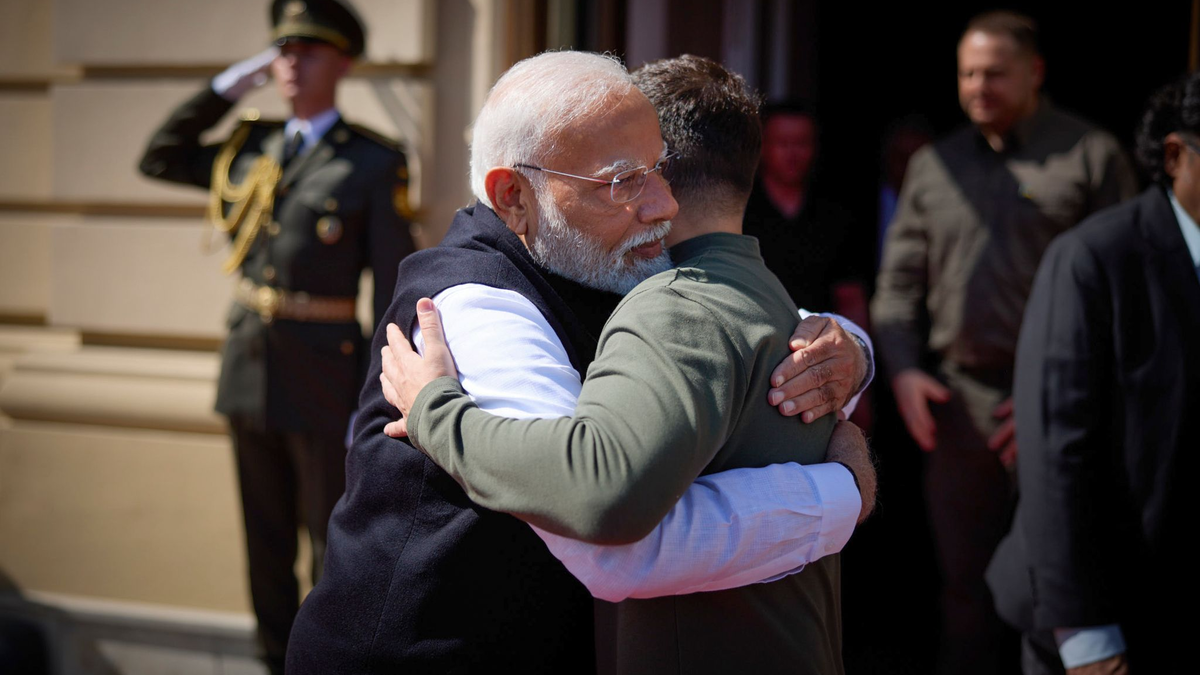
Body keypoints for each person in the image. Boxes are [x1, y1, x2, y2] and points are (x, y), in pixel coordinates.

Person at [287, 51, 874, 674]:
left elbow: (757, 321)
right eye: (622, 181)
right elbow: (614, 547)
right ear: (513, 196)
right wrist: (840, 492)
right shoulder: (473, 310)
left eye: (659, 170)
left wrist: (849, 351)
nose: (664, 205)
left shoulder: (596, 252)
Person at [137, 1, 414, 672]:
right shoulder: (250, 146)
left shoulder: (371, 161)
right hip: (249, 367)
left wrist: (374, 395)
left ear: (343, 63)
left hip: (324, 379)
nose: (291, 63)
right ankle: (272, 659)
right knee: (264, 548)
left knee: (330, 545)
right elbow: (159, 158)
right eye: (283, 50)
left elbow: (392, 288)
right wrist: (226, 89)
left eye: (309, 51)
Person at [871, 11, 1137, 675]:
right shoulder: (935, 166)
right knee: (965, 591)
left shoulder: (1091, 155)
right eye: (967, 74)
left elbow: (1126, 295)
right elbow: (897, 287)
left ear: (1034, 72)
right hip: (960, 407)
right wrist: (903, 372)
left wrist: (1069, 396)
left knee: (1062, 583)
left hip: (1064, 405)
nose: (978, 86)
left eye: (994, 73)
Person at [986, 72, 1200, 675]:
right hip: (1103, 620)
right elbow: (1058, 455)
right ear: (1176, 156)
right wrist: (1087, 639)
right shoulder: (1097, 258)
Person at [744, 101, 870, 323]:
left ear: (815, 147)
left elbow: (850, 297)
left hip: (821, 337)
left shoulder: (834, 214)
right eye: (782, 143)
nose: (792, 153)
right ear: (762, 146)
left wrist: (857, 341)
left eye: (801, 143)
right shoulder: (741, 208)